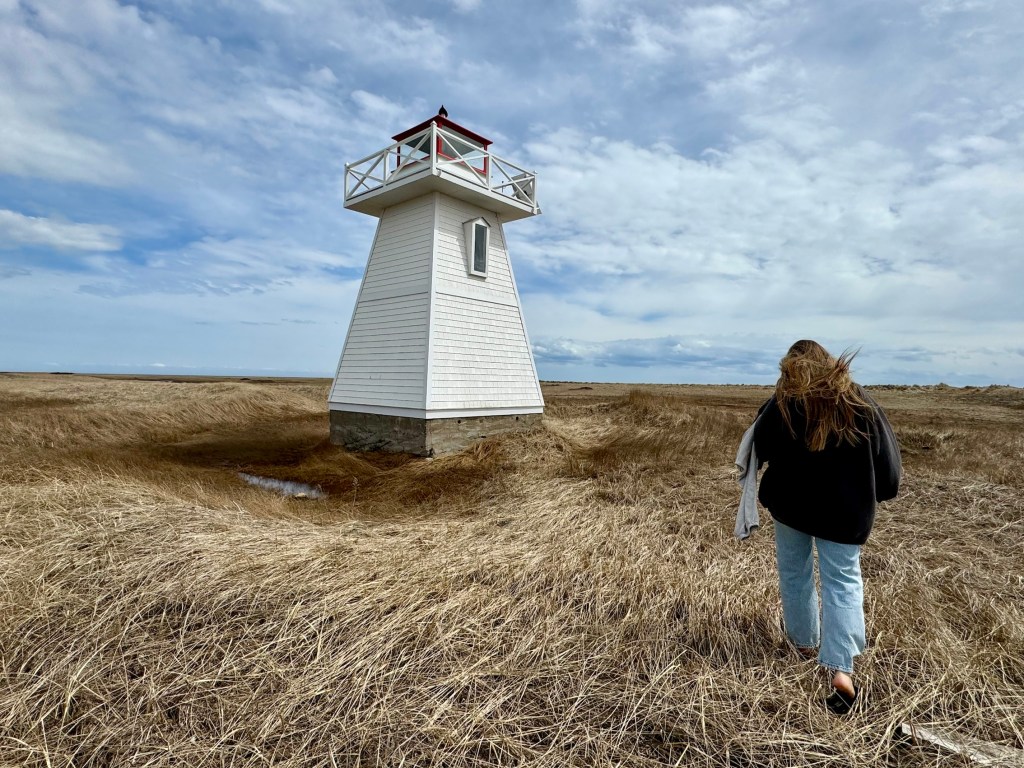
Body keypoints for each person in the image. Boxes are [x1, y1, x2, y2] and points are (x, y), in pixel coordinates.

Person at [753, 340, 901, 714]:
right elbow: (888, 465)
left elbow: (760, 445)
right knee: (843, 581)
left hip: (791, 508)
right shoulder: (859, 401)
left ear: (789, 366)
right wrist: (879, 492)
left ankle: (803, 644)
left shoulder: (782, 401)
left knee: (794, 574)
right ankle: (841, 671)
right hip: (845, 513)